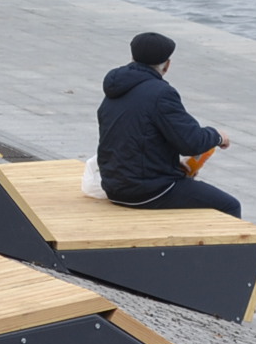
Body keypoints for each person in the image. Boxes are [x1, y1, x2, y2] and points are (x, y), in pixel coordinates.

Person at [94, 32, 240, 217]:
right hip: (147, 190)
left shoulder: (116, 88)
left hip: (114, 185)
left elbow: (135, 137)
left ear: (132, 57)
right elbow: (191, 142)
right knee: (229, 206)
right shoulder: (161, 94)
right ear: (167, 65)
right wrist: (217, 136)